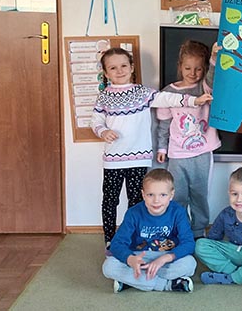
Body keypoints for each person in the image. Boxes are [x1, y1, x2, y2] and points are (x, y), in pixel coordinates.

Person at [92, 47, 212, 248]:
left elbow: (168, 97)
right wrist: (103, 131)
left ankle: (134, 239)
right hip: (113, 160)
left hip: (139, 159)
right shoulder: (104, 96)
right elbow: (95, 120)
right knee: (110, 201)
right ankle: (110, 240)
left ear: (132, 67)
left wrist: (194, 100)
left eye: (123, 66)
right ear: (106, 73)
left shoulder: (142, 93)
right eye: (113, 68)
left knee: (137, 203)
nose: (119, 71)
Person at [156, 40, 220, 240]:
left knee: (200, 195)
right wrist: (162, 148)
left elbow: (212, 79)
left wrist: (214, 59)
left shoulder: (203, 88)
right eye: (188, 68)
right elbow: (164, 124)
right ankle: (180, 230)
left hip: (202, 152)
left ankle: (199, 231)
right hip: (177, 154)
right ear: (180, 67)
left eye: (198, 69)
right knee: (178, 195)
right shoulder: (168, 93)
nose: (193, 73)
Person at [102, 169, 197, 293]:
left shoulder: (178, 212)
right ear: (143, 194)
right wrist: (130, 259)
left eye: (163, 195)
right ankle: (166, 285)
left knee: (190, 263)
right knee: (109, 266)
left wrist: (165, 258)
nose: (156, 200)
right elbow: (116, 244)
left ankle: (135, 281)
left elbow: (189, 243)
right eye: (150, 195)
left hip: (165, 257)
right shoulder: (133, 213)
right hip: (139, 257)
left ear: (171, 195)